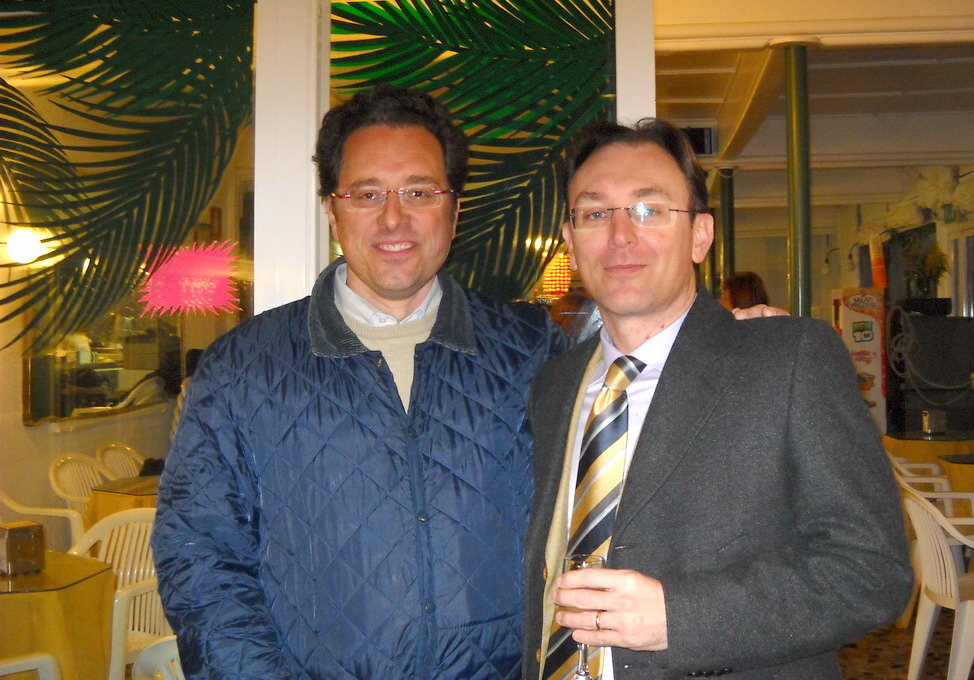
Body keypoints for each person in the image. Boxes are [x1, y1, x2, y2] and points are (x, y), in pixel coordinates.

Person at [152, 85, 571, 680]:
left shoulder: (533, 350)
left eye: (420, 192)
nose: (393, 218)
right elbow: (200, 558)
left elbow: (606, 504)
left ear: (454, 208)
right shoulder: (242, 368)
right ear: (332, 210)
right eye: (367, 194)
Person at [523, 119, 913, 680]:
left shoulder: (788, 359)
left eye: (649, 209)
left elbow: (872, 572)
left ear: (700, 236)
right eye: (595, 213)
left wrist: (680, 618)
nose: (620, 235)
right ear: (571, 240)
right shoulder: (554, 385)